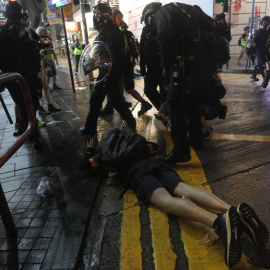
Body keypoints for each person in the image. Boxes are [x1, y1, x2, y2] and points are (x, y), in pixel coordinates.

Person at [79, 127, 269, 267]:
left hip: (138, 174)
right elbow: (153, 147)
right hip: (156, 164)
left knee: (167, 202)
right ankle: (231, 210)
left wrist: (92, 151)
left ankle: (218, 223)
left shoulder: (105, 151)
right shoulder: (133, 140)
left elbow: (83, 167)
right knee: (183, 188)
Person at [153, 2, 226, 164]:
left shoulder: (163, 14)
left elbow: (165, 43)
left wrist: (166, 75)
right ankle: (196, 139)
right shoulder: (185, 10)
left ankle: (180, 150)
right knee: (192, 101)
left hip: (183, 67)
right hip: (199, 66)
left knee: (174, 103)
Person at [80, 2, 137, 136]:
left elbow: (112, 53)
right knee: (115, 99)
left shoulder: (110, 30)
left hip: (109, 72)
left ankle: (90, 127)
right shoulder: (108, 29)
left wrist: (107, 67)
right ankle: (131, 121)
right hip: (110, 71)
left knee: (96, 99)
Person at [0, 2, 42, 147]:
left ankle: (29, 130)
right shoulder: (22, 31)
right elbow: (34, 50)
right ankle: (32, 134)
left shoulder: (3, 32)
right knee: (29, 106)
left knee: (25, 106)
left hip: (14, 79)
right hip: (26, 77)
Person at [140, 2, 165, 111]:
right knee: (149, 91)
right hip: (151, 68)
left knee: (166, 93)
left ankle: (167, 115)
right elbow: (142, 49)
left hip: (165, 68)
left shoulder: (166, 29)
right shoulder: (145, 31)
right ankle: (163, 111)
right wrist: (142, 67)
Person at [251, 16, 270, 87]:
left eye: (268, 22)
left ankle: (254, 75)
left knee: (260, 64)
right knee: (262, 65)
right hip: (259, 48)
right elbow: (254, 41)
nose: (266, 23)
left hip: (265, 49)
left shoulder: (268, 31)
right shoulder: (260, 31)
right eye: (265, 22)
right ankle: (265, 79)